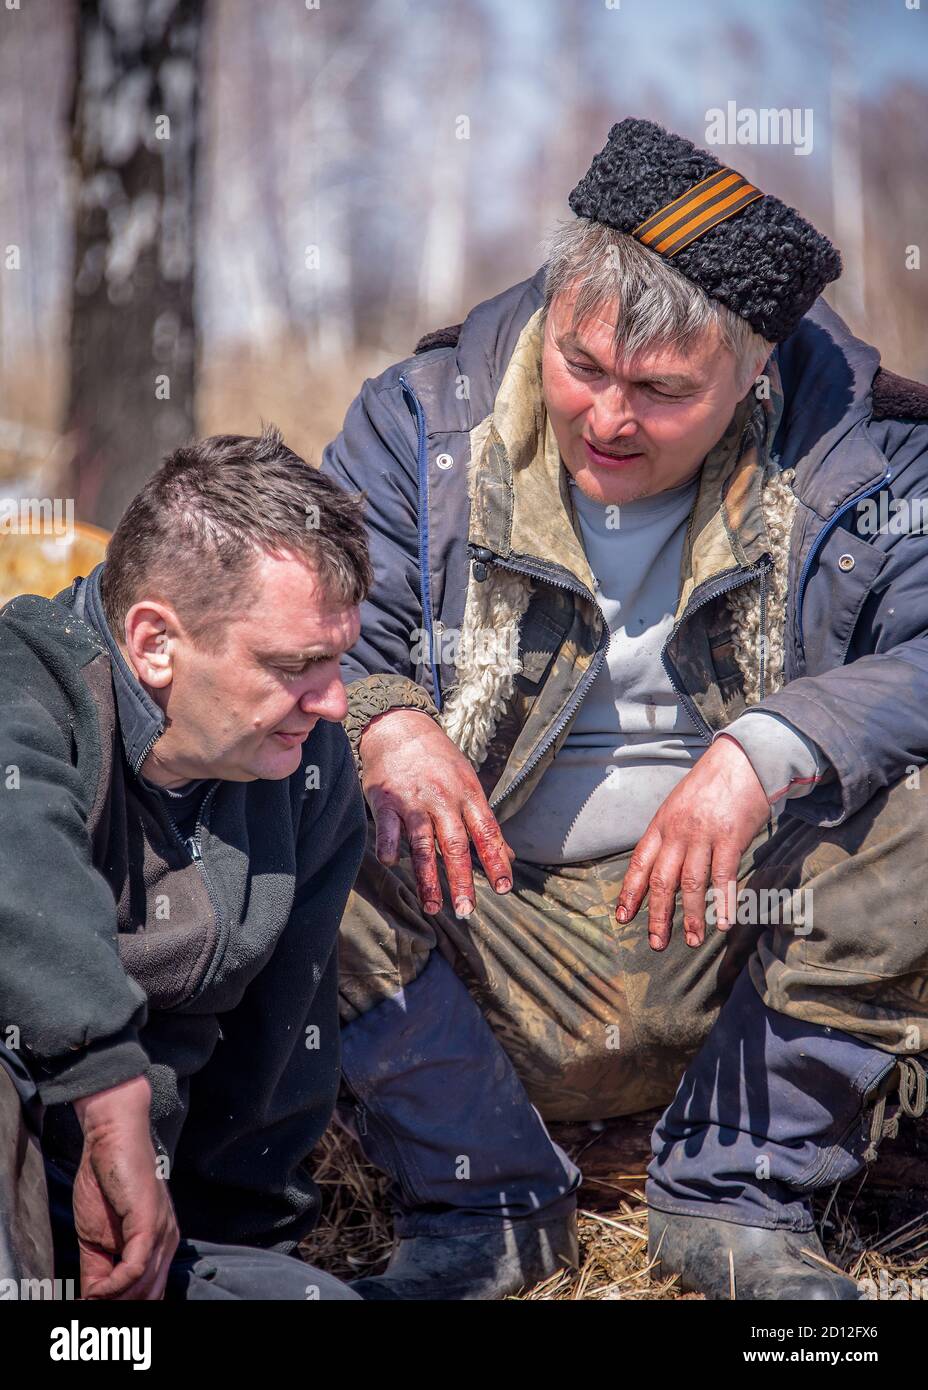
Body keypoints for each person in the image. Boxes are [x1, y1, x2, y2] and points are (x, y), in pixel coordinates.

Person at [321, 118, 928, 1300]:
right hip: (474, 930)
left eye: (660, 391)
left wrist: (772, 742)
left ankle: (736, 1194)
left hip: (739, 931)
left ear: (756, 371)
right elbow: (307, 634)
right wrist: (384, 714)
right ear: (554, 302)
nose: (607, 417)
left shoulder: (870, 457)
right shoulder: (415, 423)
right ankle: (480, 1197)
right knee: (295, 784)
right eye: (581, 366)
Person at [0, 425, 370, 1300]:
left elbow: (274, 1069)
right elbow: (21, 872)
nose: (333, 701)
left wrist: (241, 1258)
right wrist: (105, 1090)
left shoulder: (308, 768)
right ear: (156, 641)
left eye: (339, 660)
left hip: (135, 1227)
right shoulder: (24, 689)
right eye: (295, 665)